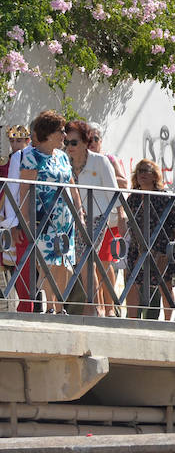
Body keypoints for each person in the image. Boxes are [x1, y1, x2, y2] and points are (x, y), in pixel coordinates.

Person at [18, 110, 83, 314]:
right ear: (48, 133)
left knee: (64, 264)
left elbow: (73, 186)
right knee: (47, 264)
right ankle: (50, 309)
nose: (64, 136)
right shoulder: (31, 157)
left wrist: (79, 212)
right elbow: (24, 192)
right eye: (61, 131)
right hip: (43, 220)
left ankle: (59, 306)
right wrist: (26, 220)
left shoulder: (63, 157)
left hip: (65, 220)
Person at [65, 120, 123, 316]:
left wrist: (121, 217)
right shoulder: (66, 161)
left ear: (84, 141)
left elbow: (114, 192)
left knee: (86, 260)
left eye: (73, 143)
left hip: (98, 217)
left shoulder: (100, 161)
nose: (69, 147)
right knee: (84, 262)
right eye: (66, 142)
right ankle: (94, 306)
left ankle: (94, 307)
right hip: (73, 218)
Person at [120, 159, 175, 320]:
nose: (141, 174)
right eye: (139, 171)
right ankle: (132, 319)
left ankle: (169, 321)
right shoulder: (133, 197)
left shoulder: (164, 197)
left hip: (161, 247)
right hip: (138, 247)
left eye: (146, 171)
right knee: (132, 283)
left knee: (165, 285)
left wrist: (168, 251)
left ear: (155, 175)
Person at [0, 124, 33, 311]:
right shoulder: (5, 163)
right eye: (12, 141)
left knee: (29, 265)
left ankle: (29, 304)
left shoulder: (29, 158)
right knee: (13, 264)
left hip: (25, 216)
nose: (15, 144)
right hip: (8, 217)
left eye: (19, 140)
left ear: (27, 141)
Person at [87, 122, 128, 189]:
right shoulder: (82, 160)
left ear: (101, 140)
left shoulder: (109, 159)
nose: (92, 142)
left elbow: (124, 183)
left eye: (95, 139)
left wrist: (103, 176)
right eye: (89, 139)